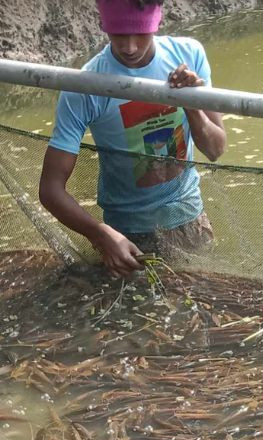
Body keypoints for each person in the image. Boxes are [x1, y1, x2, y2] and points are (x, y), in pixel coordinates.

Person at [39, 0, 227, 277]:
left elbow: (215, 149)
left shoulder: (189, 55)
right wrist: (100, 235)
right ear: (102, 25)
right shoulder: (85, 86)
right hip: (127, 237)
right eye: (117, 34)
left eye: (140, 33)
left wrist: (191, 103)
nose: (129, 46)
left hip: (190, 221)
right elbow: (50, 189)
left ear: (157, 21)